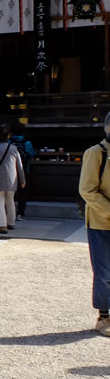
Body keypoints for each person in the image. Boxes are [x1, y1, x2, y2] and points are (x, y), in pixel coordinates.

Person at [78, 111, 110, 337]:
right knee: (104, 273)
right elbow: (87, 190)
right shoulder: (96, 153)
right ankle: (104, 316)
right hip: (101, 221)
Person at [0, 125, 26, 234]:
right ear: (7, 136)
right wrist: (22, 180)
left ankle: (2, 225)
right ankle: (11, 223)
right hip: (12, 179)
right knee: (10, 201)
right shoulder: (13, 148)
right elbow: (20, 166)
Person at [9, 121, 36, 220]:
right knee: (22, 192)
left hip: (11, 169)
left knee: (10, 193)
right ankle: (20, 213)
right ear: (23, 132)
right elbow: (32, 154)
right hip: (24, 169)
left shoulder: (9, 142)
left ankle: (10, 213)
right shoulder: (27, 142)